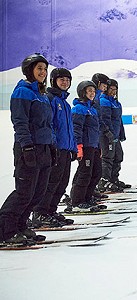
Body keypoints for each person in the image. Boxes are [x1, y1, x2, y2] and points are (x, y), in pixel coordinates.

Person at [0, 53, 57, 245]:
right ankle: (5, 231)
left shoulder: (41, 94)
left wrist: (51, 145)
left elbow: (47, 124)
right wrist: (27, 147)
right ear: (29, 70)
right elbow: (20, 122)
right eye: (39, 68)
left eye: (44, 69)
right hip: (29, 148)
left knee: (38, 193)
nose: (43, 72)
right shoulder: (22, 91)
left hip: (44, 148)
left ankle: (20, 226)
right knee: (24, 192)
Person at [32, 68, 77, 228]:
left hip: (65, 149)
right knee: (51, 182)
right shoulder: (50, 99)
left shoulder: (65, 103)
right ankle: (40, 213)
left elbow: (69, 129)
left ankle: (50, 211)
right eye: (61, 79)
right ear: (53, 81)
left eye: (67, 80)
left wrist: (73, 148)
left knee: (62, 182)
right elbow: (49, 124)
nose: (65, 82)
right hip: (55, 149)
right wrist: (53, 145)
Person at [69, 81, 104, 212]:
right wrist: (79, 147)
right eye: (89, 91)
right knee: (85, 174)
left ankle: (87, 198)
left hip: (93, 146)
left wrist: (99, 146)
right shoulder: (78, 109)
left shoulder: (92, 109)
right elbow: (76, 129)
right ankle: (78, 201)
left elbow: (97, 129)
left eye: (93, 91)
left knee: (96, 173)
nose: (92, 93)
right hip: (85, 147)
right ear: (82, 92)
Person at [97, 79, 130, 193]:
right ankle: (104, 181)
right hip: (107, 136)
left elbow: (118, 120)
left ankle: (113, 179)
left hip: (115, 135)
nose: (113, 91)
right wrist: (109, 133)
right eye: (111, 89)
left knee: (118, 156)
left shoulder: (116, 103)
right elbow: (105, 120)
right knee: (108, 158)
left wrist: (121, 134)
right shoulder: (104, 101)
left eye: (115, 89)